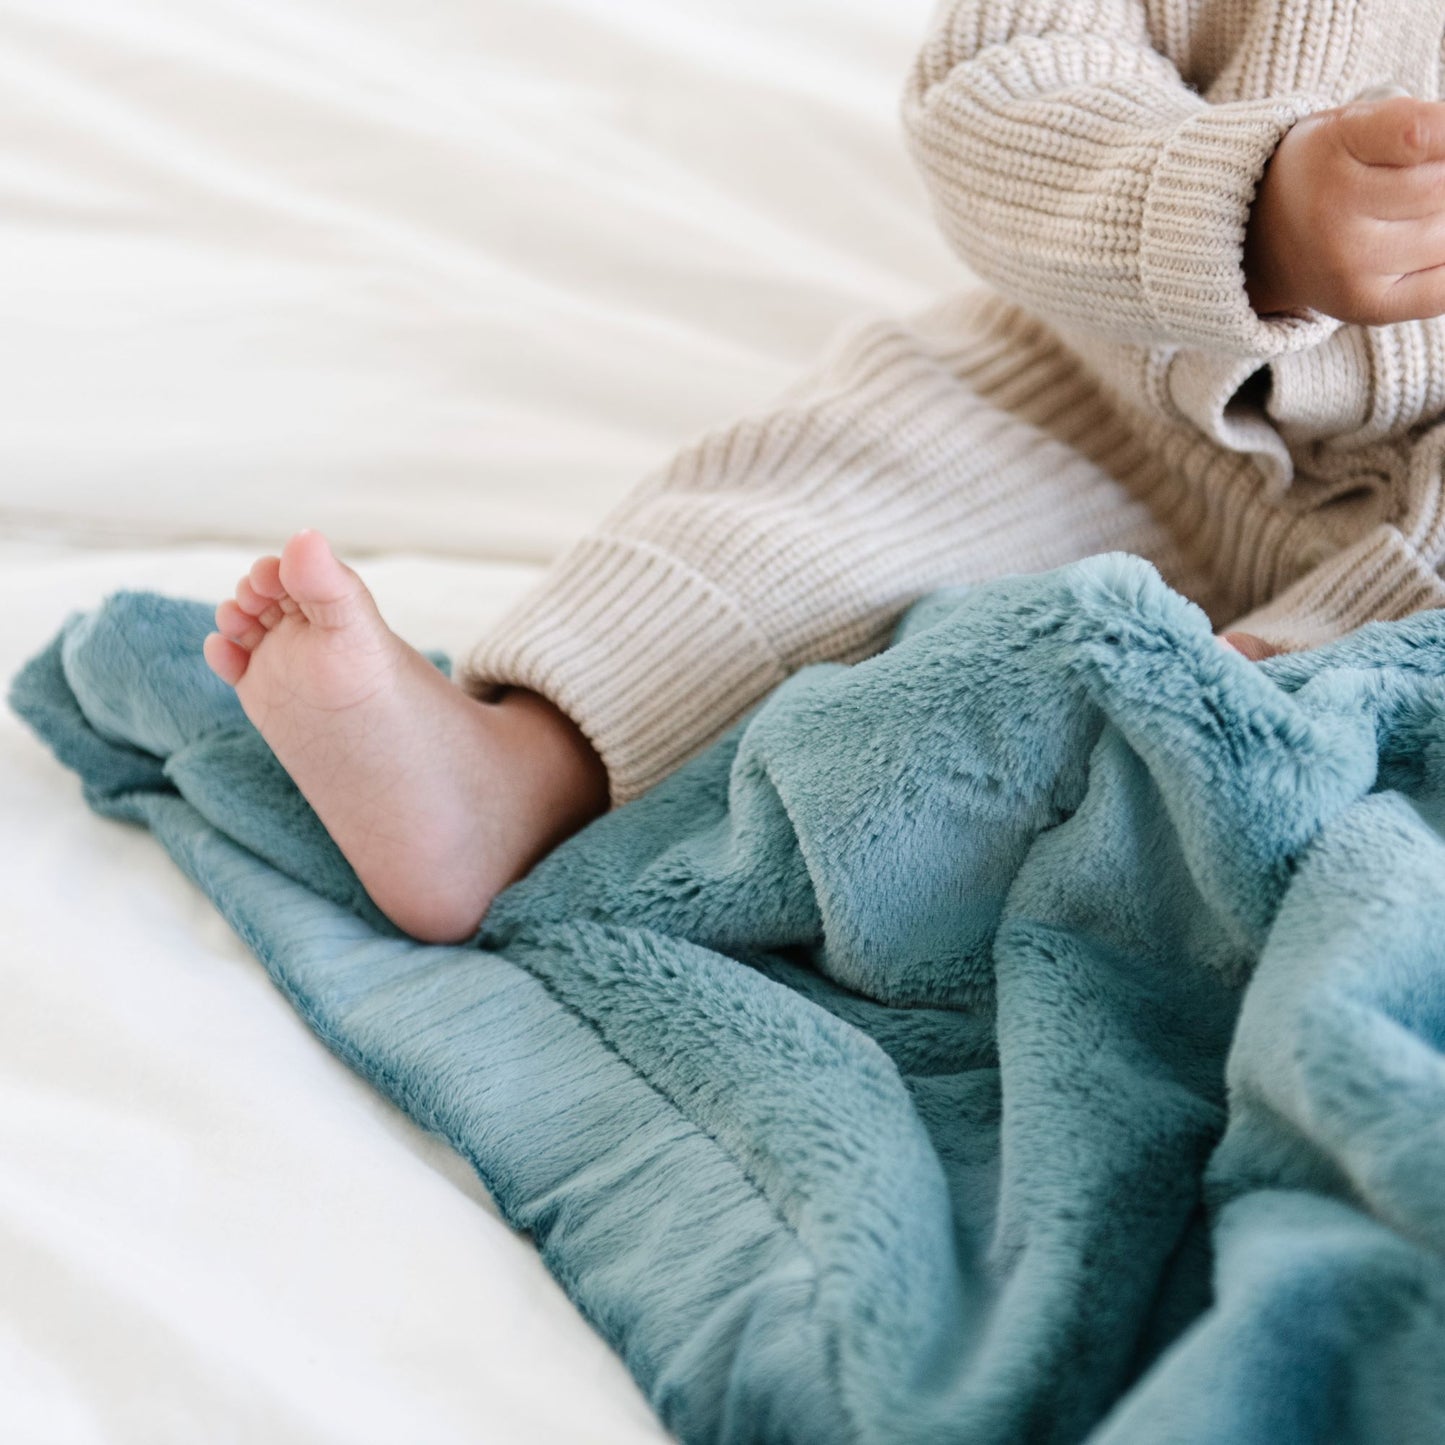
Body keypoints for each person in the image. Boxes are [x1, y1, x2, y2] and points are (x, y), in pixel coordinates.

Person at [203, 0, 1445, 944]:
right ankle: (515, 770)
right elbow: (1002, 87)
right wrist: (1242, 213)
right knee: (824, 493)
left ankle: (1166, 795)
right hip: (1111, 389)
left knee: (1291, 769)